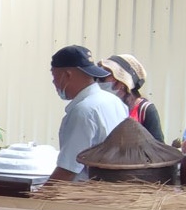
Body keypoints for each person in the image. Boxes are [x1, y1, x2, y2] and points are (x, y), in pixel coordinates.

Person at [48, 45, 128, 182]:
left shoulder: (83, 111)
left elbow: (67, 170)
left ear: (67, 75)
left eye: (54, 75)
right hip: (113, 189)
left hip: (86, 194)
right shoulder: (115, 102)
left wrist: (39, 199)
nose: (54, 82)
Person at [98, 54, 165, 142]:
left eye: (104, 77)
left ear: (122, 83)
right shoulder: (102, 106)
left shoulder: (145, 110)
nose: (98, 81)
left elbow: (158, 148)